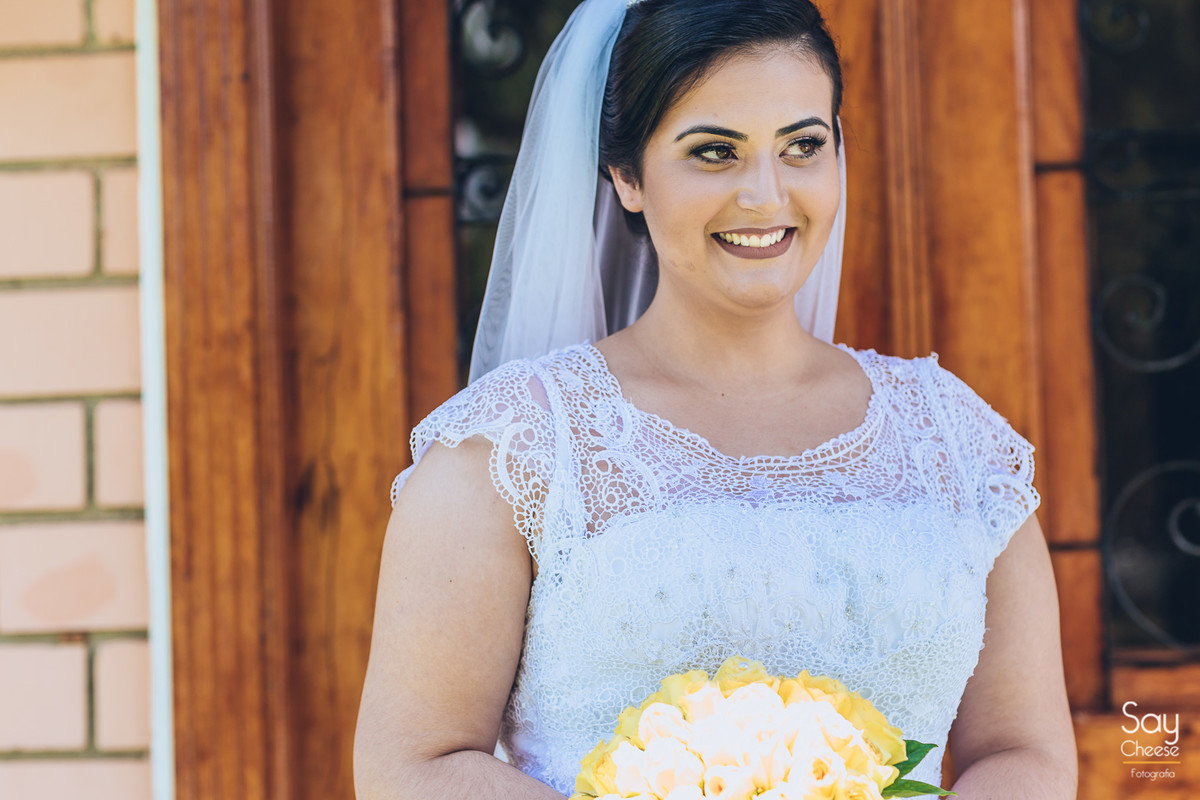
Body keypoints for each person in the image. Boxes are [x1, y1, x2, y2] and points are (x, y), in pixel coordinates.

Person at [353, 0, 1078, 797]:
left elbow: (1022, 751)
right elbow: (412, 766)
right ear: (626, 176)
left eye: (803, 145)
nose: (766, 197)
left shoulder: (955, 441)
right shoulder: (513, 453)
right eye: (714, 152)